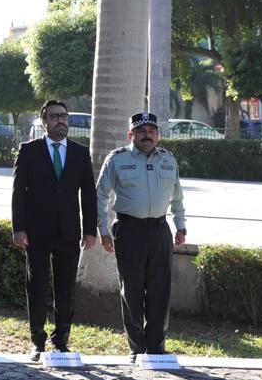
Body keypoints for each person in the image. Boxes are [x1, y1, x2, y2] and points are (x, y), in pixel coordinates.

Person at [11, 100, 96, 361]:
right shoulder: (29, 151)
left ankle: (62, 340)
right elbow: (19, 193)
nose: (61, 121)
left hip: (69, 232)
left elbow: (89, 195)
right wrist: (19, 228)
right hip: (36, 231)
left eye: (64, 116)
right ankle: (38, 339)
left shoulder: (81, 153)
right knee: (36, 286)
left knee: (65, 288)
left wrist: (90, 230)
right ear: (44, 121)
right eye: (55, 117)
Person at [97, 112, 186, 361]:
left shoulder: (168, 160)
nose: (147, 135)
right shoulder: (117, 159)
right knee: (132, 290)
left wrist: (180, 226)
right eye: (141, 131)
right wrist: (103, 230)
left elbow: (177, 197)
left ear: (157, 134)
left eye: (151, 131)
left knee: (160, 290)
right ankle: (137, 347)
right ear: (131, 135)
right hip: (129, 230)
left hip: (159, 230)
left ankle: (156, 347)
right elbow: (100, 196)